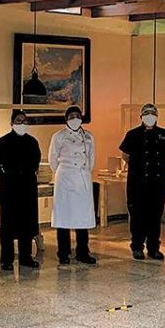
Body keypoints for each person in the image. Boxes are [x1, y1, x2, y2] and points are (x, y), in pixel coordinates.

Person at [119, 103, 165, 260]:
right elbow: (125, 155)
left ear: (157, 116)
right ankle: (137, 247)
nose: (149, 116)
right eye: (146, 114)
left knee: (155, 215)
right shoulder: (132, 135)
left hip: (158, 182)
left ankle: (154, 248)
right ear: (141, 116)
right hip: (137, 182)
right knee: (137, 215)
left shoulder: (164, 134)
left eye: (152, 113)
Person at [0, 109, 41, 272]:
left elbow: (36, 161)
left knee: (27, 221)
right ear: (11, 123)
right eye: (18, 121)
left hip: (28, 185)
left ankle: (26, 257)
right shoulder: (3, 142)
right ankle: (7, 260)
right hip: (9, 186)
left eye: (24, 121)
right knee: (8, 224)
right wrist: (2, 177)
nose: (22, 123)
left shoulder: (32, 142)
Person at [49, 106, 96, 265]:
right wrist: (65, 172)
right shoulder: (59, 136)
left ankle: (83, 252)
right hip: (65, 179)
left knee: (83, 218)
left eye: (77, 116)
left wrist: (84, 173)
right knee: (64, 217)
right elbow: (53, 160)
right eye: (71, 116)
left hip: (82, 179)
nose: (75, 119)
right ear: (66, 119)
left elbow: (91, 159)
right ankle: (63, 253)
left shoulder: (88, 136)